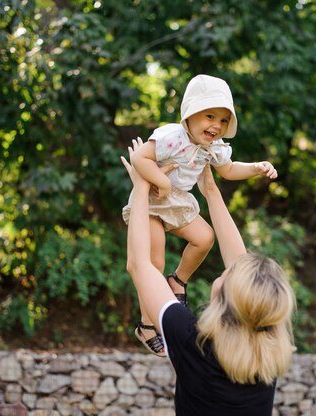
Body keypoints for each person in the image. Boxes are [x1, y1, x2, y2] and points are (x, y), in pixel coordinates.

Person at [121, 139, 296, 415]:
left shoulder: (193, 341)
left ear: (225, 300)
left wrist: (142, 186)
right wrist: (210, 191)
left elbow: (140, 265)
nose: (233, 265)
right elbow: (242, 274)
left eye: (231, 273)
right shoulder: (269, 348)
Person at [122, 74, 278, 355]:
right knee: (153, 261)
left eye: (223, 121)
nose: (216, 126)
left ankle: (178, 280)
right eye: (209, 116)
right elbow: (139, 158)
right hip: (153, 202)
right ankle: (146, 325)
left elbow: (228, 170)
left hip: (179, 202)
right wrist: (162, 182)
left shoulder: (213, 148)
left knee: (205, 238)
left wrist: (255, 167)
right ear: (190, 114)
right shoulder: (170, 137)